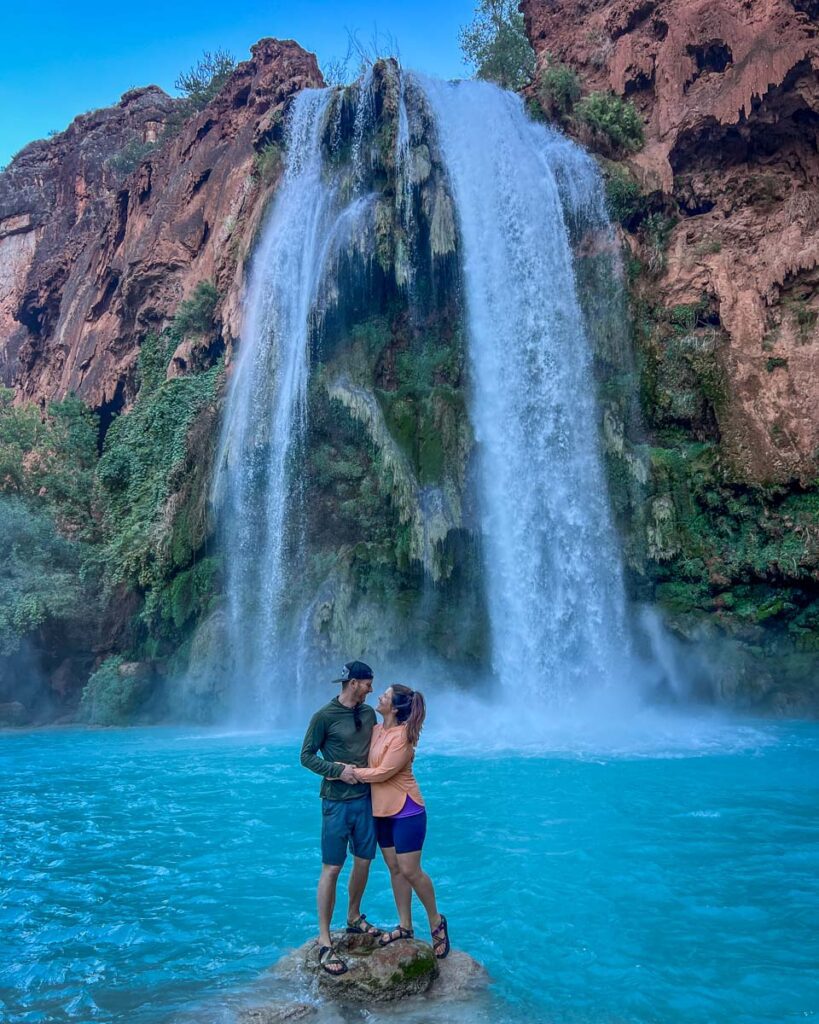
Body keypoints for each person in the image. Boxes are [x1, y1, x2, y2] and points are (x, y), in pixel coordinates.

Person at [340, 683, 450, 959]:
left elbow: (382, 773)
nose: (380, 696)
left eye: (386, 696)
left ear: (395, 707)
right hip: (381, 812)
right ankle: (405, 926)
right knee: (395, 869)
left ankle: (437, 922)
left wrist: (349, 773)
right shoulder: (377, 730)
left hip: (406, 811)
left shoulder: (403, 737)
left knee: (411, 870)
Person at [299, 660, 383, 977]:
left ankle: (353, 916)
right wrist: (337, 771)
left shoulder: (368, 713)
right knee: (332, 868)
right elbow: (305, 756)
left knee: (363, 860)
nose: (372, 689)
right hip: (335, 802)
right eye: (368, 683)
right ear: (353, 684)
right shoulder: (323, 717)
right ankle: (324, 939)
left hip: (365, 801)